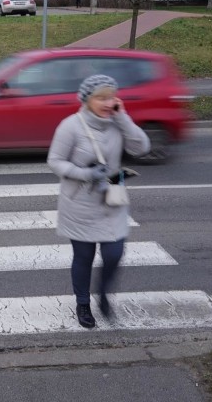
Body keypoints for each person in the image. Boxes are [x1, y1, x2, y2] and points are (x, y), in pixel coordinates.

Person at [46, 75, 150, 328]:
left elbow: (142, 148)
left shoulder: (117, 123)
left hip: (112, 200)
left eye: (111, 97)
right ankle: (83, 303)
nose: (107, 102)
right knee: (84, 257)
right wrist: (86, 173)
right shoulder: (70, 126)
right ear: (87, 99)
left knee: (114, 254)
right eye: (100, 97)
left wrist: (123, 117)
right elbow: (55, 161)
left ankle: (104, 295)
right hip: (80, 202)